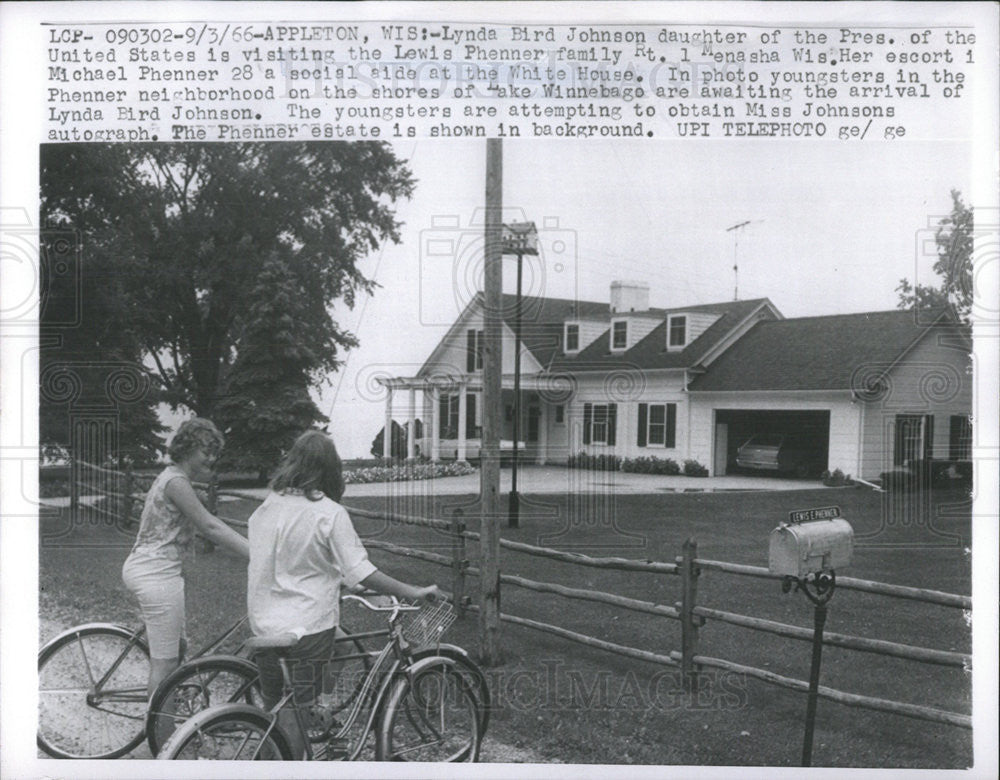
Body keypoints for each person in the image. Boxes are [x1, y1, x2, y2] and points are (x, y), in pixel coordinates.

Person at [247, 430, 441, 759]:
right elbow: (361, 570)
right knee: (295, 718)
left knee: (277, 711)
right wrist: (413, 592)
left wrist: (335, 579)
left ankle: (311, 723)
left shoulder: (270, 504)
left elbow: (289, 562)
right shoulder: (329, 512)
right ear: (330, 469)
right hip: (306, 626)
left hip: (264, 621)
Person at [121, 418, 250, 697]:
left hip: (153, 569)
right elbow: (209, 525)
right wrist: (258, 554)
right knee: (165, 664)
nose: (212, 459)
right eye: (207, 451)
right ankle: (161, 735)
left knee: (176, 650)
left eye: (216, 453)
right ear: (187, 448)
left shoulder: (172, 476)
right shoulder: (177, 482)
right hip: (156, 574)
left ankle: (169, 714)